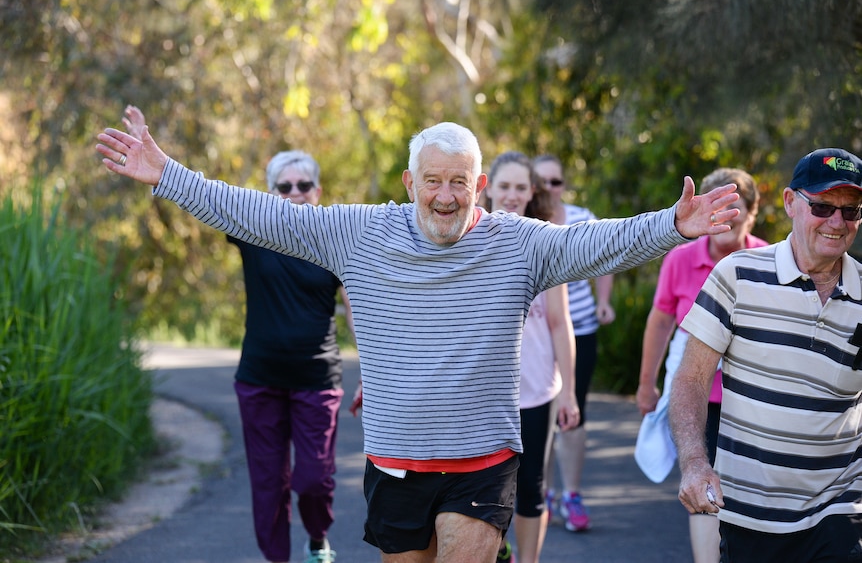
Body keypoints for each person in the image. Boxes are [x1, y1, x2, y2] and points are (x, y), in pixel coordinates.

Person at [96, 117, 739, 563]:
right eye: (432, 180)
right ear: (410, 183)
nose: (445, 195)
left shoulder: (518, 245)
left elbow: (596, 242)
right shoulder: (358, 233)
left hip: (483, 463)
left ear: (479, 187)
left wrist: (673, 225)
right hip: (396, 462)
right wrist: (166, 175)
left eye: (460, 181)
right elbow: (257, 214)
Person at [122, 106, 353, 563]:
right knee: (269, 484)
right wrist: (160, 174)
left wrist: (378, 368)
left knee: (313, 480)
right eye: (283, 187)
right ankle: (277, 558)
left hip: (317, 379)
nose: (294, 193)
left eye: (303, 185)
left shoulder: (334, 240)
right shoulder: (253, 233)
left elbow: (358, 308)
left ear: (318, 191)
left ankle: (316, 537)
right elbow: (210, 200)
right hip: (260, 379)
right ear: (270, 195)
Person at [668, 148, 862, 563]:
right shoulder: (737, 276)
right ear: (791, 202)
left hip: (841, 510)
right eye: (824, 206)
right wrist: (695, 462)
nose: (837, 222)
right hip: (750, 515)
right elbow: (690, 379)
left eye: (851, 212)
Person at [633, 168, 766, 563]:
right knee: (704, 489)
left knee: (753, 495)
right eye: (717, 206)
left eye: (736, 208)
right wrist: (646, 384)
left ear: (753, 214)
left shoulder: (771, 262)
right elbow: (659, 322)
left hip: (754, 403)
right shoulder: (679, 260)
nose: (727, 217)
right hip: (699, 399)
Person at [484, 151, 578, 563]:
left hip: (536, 389)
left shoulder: (546, 241)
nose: (511, 195)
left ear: (531, 192)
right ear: (487, 188)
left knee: (530, 487)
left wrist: (570, 392)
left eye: (520, 187)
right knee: (483, 486)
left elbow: (560, 322)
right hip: (482, 391)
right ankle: (494, 548)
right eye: (504, 186)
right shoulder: (467, 238)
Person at [532, 154, 614, 532]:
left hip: (578, 328)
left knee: (573, 410)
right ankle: (541, 490)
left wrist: (603, 302)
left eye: (556, 182)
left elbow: (607, 259)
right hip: (533, 335)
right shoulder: (526, 223)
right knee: (539, 412)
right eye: (543, 181)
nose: (550, 189)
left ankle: (573, 494)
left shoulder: (583, 218)